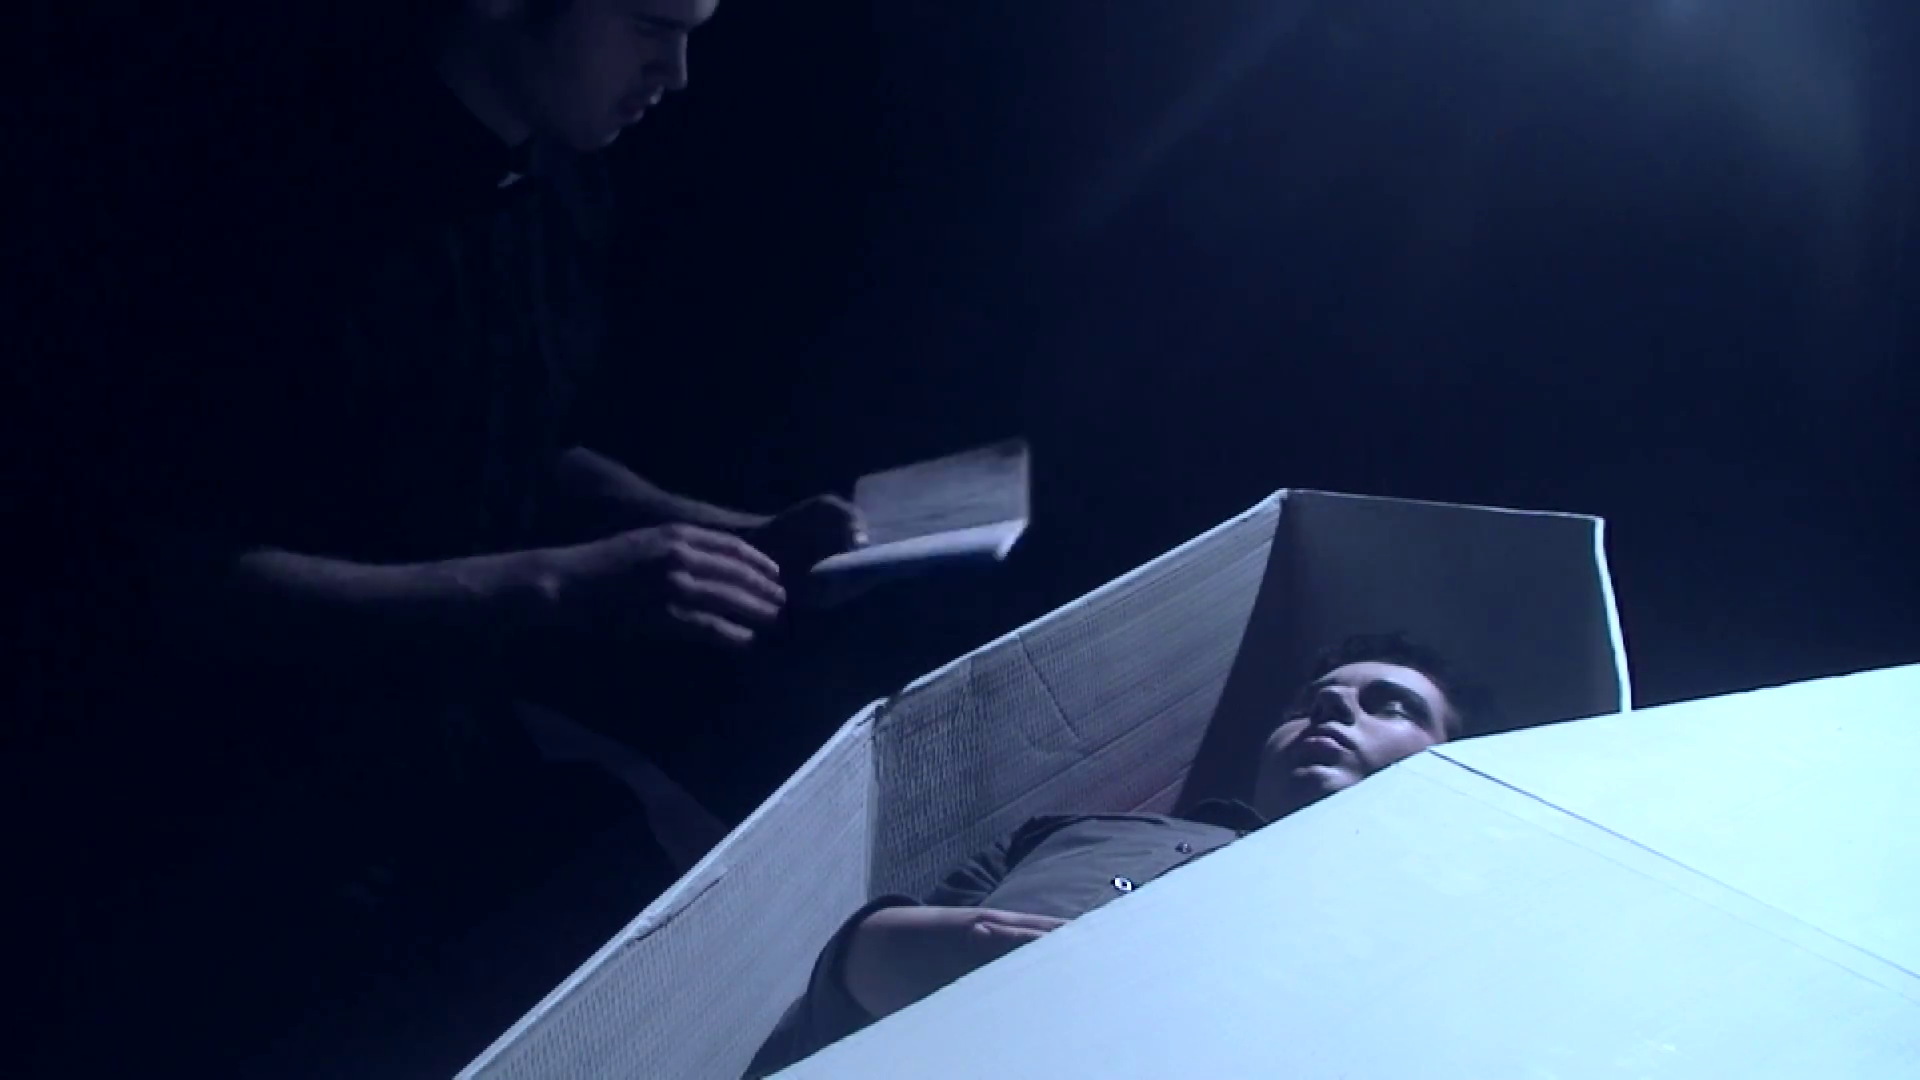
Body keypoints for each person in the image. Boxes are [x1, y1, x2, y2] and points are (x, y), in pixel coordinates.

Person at [22, 1, 860, 1076]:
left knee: (731, 936)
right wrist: (555, 587)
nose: (679, 70)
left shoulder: (556, 175)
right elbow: (185, 583)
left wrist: (727, 533)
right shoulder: (259, 197)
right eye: (652, 23)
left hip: (441, 745)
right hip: (219, 812)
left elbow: (517, 441)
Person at [743, 633, 1483, 1077]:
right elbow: (831, 1000)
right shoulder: (1069, 831)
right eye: (1309, 702)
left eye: (1391, 704)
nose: (1331, 706)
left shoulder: (1445, 946)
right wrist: (886, 952)